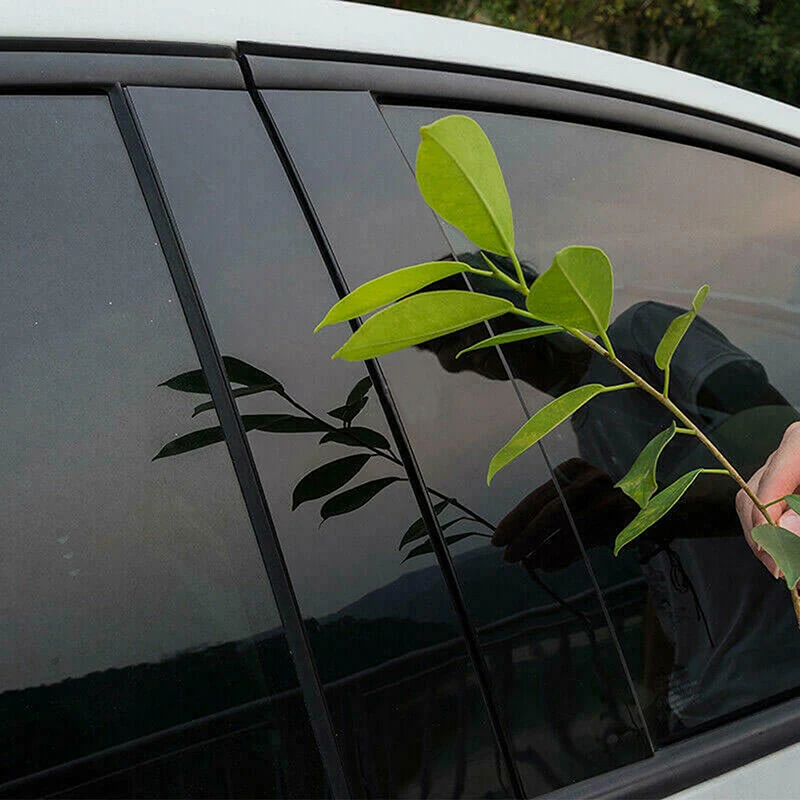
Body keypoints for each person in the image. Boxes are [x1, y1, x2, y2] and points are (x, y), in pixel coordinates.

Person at [418, 252, 800, 735]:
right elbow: (667, 572)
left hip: (776, 684)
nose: (460, 359)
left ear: (514, 296)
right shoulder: (586, 424)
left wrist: (636, 510)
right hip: (710, 702)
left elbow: (779, 442)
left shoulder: (641, 338)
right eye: (444, 349)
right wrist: (655, 690)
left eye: (462, 334)